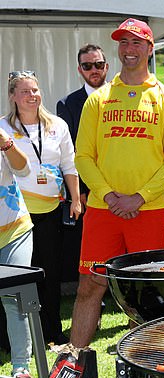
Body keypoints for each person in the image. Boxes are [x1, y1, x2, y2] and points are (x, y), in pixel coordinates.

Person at [70, 18, 164, 348]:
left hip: (148, 211)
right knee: (90, 285)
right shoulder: (99, 99)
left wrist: (139, 197)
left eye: (136, 42)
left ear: (150, 48)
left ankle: (141, 363)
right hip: (102, 211)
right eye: (123, 42)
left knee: (144, 290)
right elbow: (83, 157)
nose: (128, 49)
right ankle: (74, 360)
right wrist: (108, 196)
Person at [1, 71, 81, 345]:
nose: (32, 96)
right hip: (16, 214)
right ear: (12, 96)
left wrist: (76, 198)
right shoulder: (3, 128)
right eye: (25, 91)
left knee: (50, 272)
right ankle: (13, 338)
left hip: (50, 210)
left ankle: (51, 331)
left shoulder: (57, 125)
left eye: (35, 90)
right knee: (19, 276)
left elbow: (69, 164)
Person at [57, 44, 109, 284]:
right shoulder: (67, 104)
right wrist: (83, 192)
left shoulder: (122, 98)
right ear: (80, 70)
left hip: (125, 188)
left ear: (106, 66)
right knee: (94, 250)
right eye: (88, 66)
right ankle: (96, 300)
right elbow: (69, 153)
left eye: (98, 65)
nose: (94, 70)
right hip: (90, 192)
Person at [0, 125, 34, 378]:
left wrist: (6, 143)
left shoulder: (2, 132)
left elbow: (24, 170)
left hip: (14, 228)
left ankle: (21, 367)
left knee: (14, 296)